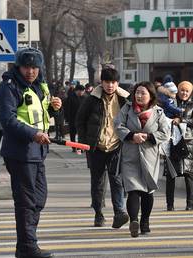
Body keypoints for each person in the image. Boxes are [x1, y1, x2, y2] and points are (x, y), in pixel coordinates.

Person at [0, 47, 62, 258]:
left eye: (34, 67)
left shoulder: (39, 86)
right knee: (26, 202)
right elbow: (8, 120)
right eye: (26, 67)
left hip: (38, 151)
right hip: (19, 152)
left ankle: (25, 243)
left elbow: (40, 114)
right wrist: (33, 134)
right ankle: (27, 247)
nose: (31, 71)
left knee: (38, 199)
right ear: (18, 67)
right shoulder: (9, 87)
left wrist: (54, 109)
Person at [76, 67, 130, 228]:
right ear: (102, 82)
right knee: (97, 182)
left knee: (117, 180)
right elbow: (80, 120)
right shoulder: (91, 99)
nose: (110, 86)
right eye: (107, 82)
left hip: (116, 145)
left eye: (113, 82)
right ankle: (98, 213)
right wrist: (83, 142)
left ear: (117, 83)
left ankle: (119, 212)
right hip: (96, 147)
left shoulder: (125, 99)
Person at [115, 81, 170, 237]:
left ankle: (145, 221)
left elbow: (165, 133)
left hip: (150, 156)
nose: (139, 96)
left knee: (147, 191)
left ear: (151, 96)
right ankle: (134, 221)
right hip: (130, 155)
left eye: (143, 93)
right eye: (137, 93)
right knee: (133, 189)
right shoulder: (127, 109)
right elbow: (118, 126)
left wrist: (149, 137)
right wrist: (132, 135)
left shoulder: (159, 113)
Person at [166, 81, 193, 211]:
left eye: (187, 91)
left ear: (190, 93)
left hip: (188, 143)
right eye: (182, 90)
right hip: (172, 141)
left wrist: (182, 120)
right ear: (178, 91)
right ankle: (170, 205)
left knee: (188, 175)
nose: (184, 93)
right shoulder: (171, 104)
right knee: (171, 175)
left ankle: (190, 205)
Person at [64, 84, 85, 151]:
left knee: (81, 134)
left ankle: (80, 147)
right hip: (72, 119)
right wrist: (67, 118)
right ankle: (73, 147)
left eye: (82, 91)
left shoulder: (86, 98)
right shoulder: (71, 98)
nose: (81, 92)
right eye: (79, 91)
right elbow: (67, 109)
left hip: (82, 120)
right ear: (76, 91)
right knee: (72, 134)